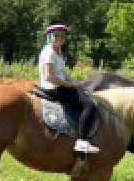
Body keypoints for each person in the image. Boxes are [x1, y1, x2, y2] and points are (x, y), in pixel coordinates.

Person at [37, 22, 99, 154]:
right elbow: (49, 77)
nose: (59, 39)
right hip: (52, 88)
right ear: (50, 37)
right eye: (56, 36)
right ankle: (82, 141)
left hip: (59, 85)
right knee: (89, 105)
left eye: (62, 37)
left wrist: (76, 83)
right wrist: (68, 85)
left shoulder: (58, 51)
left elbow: (62, 73)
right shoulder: (49, 53)